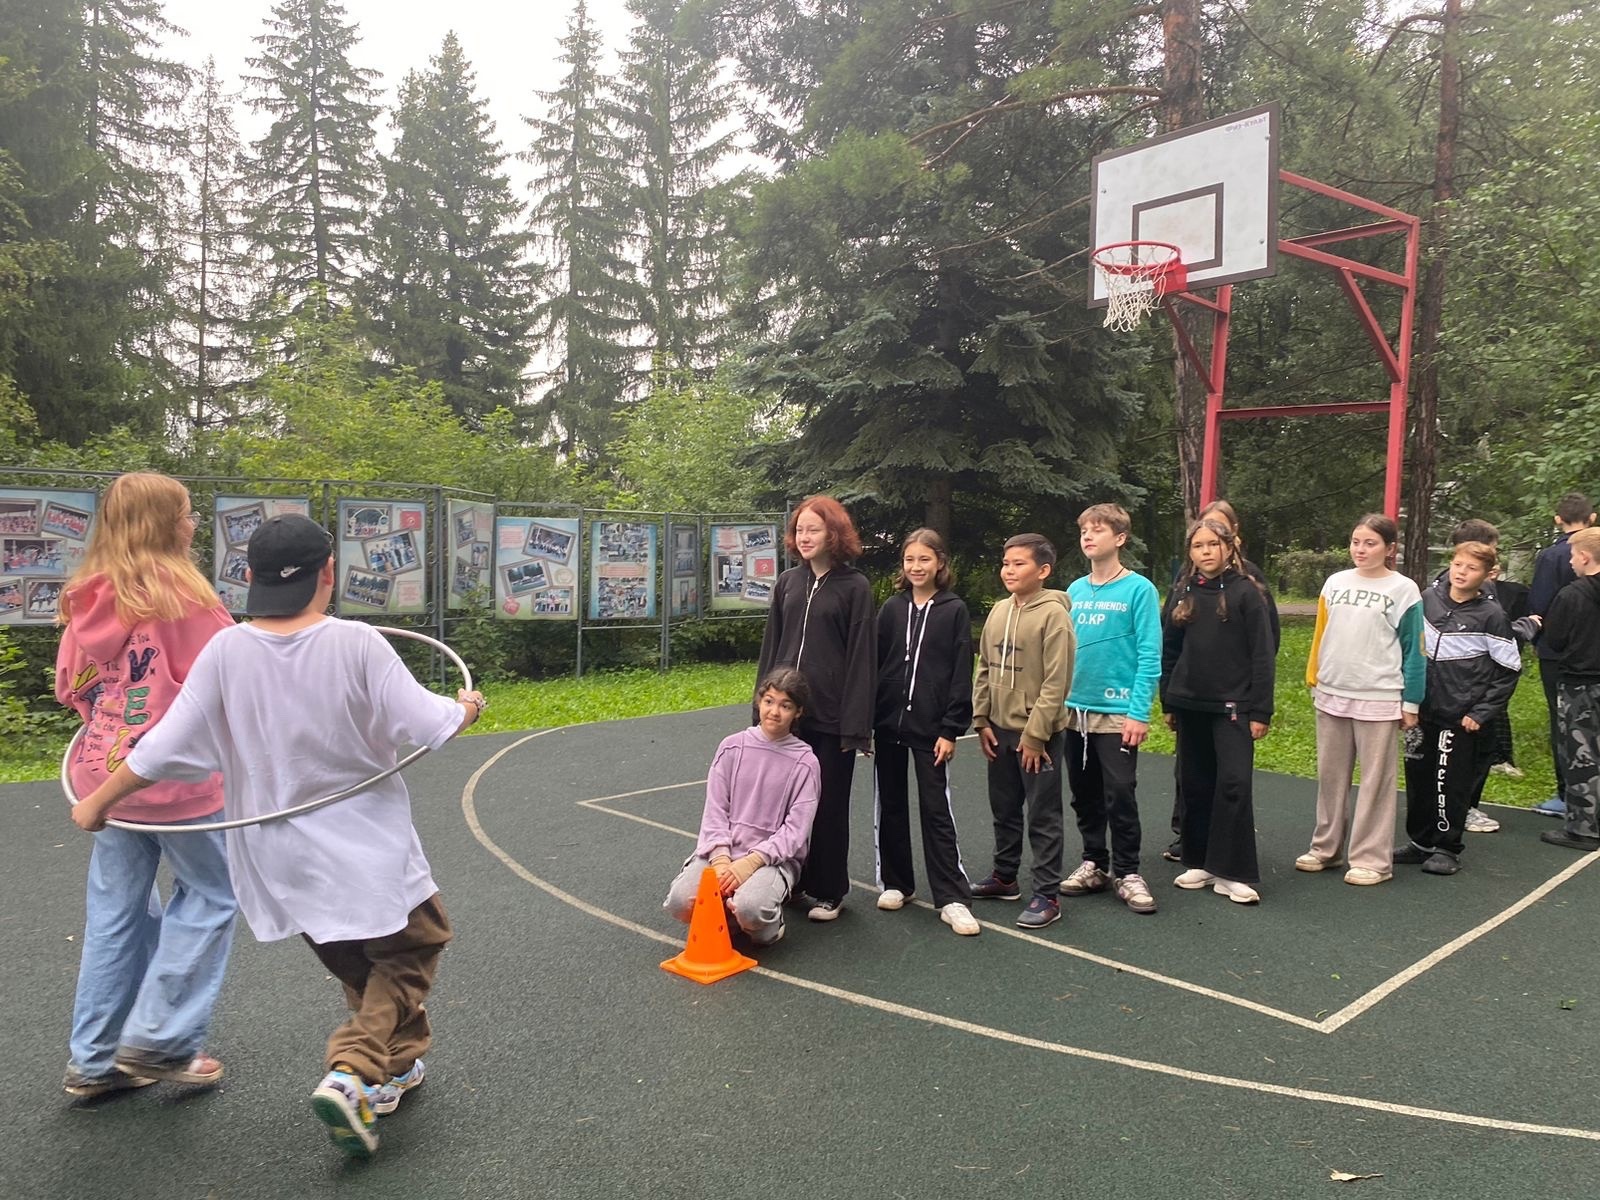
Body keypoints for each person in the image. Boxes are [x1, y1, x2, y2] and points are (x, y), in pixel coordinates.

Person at [70, 514, 487, 1159]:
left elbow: (163, 746)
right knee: (415, 945)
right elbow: (429, 724)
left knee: (361, 961)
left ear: (249, 576)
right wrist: (465, 707)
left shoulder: (226, 650)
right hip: (364, 847)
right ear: (329, 572)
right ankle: (352, 1068)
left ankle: (393, 1069)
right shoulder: (357, 643)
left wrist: (99, 800)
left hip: (277, 858)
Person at [55, 472, 237, 1098]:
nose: (193, 524)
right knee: (212, 894)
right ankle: (160, 1038)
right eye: (186, 514)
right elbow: (230, 684)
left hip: (101, 775)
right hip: (172, 781)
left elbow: (72, 688)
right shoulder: (187, 600)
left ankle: (94, 1058)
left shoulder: (87, 598)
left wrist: (115, 726)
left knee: (117, 911)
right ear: (165, 525)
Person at [755, 496, 876, 922]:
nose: (804, 537)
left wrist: (855, 727)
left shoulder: (855, 587)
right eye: (799, 530)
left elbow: (862, 658)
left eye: (814, 529)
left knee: (827, 805)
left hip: (832, 719)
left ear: (833, 534)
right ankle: (789, 881)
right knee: (782, 805)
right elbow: (772, 645)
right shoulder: (788, 582)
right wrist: (762, 708)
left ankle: (829, 890)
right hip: (787, 716)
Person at [1297, 514, 1425, 886]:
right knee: (1331, 776)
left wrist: (1411, 702)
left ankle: (1371, 860)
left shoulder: (1404, 590)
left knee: (1376, 782)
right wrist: (1315, 679)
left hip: (1380, 696)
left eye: (1370, 543)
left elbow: (1415, 650)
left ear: (1390, 548)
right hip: (1332, 692)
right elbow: (1321, 635)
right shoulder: (1335, 583)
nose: (1361, 550)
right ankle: (1326, 848)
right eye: (1356, 542)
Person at [1161, 517, 1275, 904]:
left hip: (1234, 708)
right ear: (1190, 552)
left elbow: (1262, 655)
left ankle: (1232, 872)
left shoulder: (1247, 592)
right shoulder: (1184, 590)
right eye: (1198, 546)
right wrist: (1169, 701)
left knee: (1234, 785)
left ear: (1229, 547)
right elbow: (1170, 649)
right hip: (1189, 705)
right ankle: (1201, 862)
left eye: (1213, 544)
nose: (1206, 551)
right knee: (1195, 785)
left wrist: (1260, 710)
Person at [871, 528, 979, 936]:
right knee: (891, 805)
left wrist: (951, 729)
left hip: (932, 730)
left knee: (936, 810)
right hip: (888, 726)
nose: (916, 567)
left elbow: (960, 672)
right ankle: (897, 883)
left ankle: (952, 897)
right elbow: (875, 664)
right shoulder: (891, 609)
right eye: (909, 560)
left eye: (924, 559)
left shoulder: (954, 610)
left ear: (940, 563)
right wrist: (868, 720)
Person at [665, 668, 821, 942]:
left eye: (785, 706)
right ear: (759, 701)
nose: (774, 712)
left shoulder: (806, 763)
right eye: (769, 701)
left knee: (752, 913)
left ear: (798, 712)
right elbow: (715, 811)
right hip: (721, 854)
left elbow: (795, 832)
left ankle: (765, 921)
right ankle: (731, 914)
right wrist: (721, 860)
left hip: (770, 861)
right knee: (680, 903)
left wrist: (750, 863)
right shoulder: (731, 747)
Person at [1059, 504, 1162, 915]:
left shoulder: (1139, 590)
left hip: (1118, 712)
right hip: (1073, 712)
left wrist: (1139, 712)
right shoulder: (1074, 590)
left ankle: (1129, 871)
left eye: (1097, 530)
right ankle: (1095, 863)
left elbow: (1150, 654)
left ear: (1119, 538)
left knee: (1119, 792)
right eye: (1084, 529)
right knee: (1083, 792)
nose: (1088, 536)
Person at [970, 533, 1076, 929]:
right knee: (1004, 808)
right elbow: (984, 667)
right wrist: (982, 719)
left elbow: (1056, 682)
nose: (1009, 571)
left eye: (1019, 564)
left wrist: (1035, 736)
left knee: (1043, 814)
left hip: (1038, 737)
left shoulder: (1054, 616)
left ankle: (1047, 894)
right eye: (1006, 563)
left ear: (1043, 570)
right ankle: (1004, 877)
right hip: (999, 730)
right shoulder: (999, 611)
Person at [1398, 541, 1521, 876]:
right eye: (1458, 564)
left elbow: (1509, 670)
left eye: (1472, 568)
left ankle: (1447, 847)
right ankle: (1420, 842)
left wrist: (1480, 712)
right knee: (1418, 776)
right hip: (1420, 710)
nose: (1462, 572)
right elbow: (1408, 647)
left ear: (1488, 574)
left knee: (1449, 781)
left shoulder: (1492, 616)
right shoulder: (1427, 599)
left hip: (1459, 716)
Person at [1529, 493, 1598, 816]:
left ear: (1558, 519)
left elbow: (1539, 605)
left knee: (1566, 724)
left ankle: (1567, 794)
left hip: (1561, 654)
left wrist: (1536, 637)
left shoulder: (1552, 557)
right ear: (1592, 517)